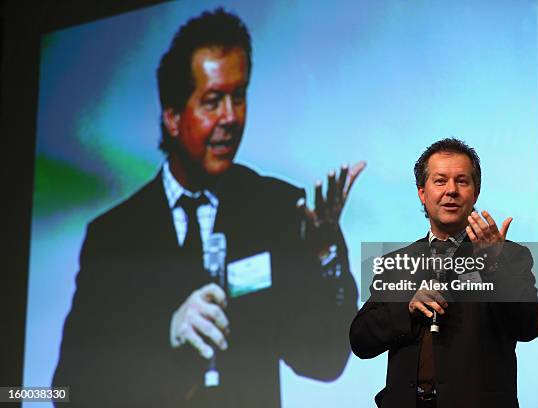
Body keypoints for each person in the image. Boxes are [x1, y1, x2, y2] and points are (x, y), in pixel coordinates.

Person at [53, 8, 363, 407]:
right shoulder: (112, 237)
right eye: (213, 101)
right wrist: (166, 335)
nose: (231, 117)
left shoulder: (277, 208)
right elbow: (66, 391)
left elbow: (324, 361)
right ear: (172, 117)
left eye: (239, 96)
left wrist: (323, 255)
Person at [349, 138, 538, 408]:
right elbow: (361, 339)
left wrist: (494, 267)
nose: (451, 190)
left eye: (462, 181)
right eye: (440, 181)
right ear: (422, 192)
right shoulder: (397, 262)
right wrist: (407, 308)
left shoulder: (509, 255)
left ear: (475, 193)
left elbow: (529, 326)